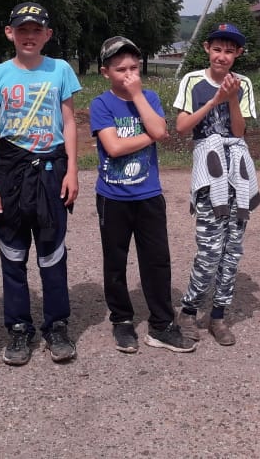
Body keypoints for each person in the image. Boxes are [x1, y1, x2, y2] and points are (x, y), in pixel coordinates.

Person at [0, 2, 80, 366]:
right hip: (10, 170)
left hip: (51, 168)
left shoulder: (61, 69)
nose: (30, 36)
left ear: (47, 35)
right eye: (23, 29)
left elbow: (69, 122)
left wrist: (72, 170)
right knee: (13, 252)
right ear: (10, 33)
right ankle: (19, 328)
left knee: (52, 252)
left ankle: (57, 325)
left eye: (37, 30)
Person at [91, 36, 195, 353]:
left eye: (134, 68)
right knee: (115, 261)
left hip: (148, 194)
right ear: (105, 72)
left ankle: (161, 324)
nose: (129, 75)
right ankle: (122, 320)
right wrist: (151, 135)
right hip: (113, 196)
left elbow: (161, 131)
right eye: (121, 69)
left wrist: (137, 97)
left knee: (157, 260)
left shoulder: (148, 97)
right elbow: (114, 147)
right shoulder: (101, 104)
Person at [172, 23, 260, 346]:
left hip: (237, 171)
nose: (222, 56)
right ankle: (189, 310)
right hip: (209, 174)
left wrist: (232, 98)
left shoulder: (243, 84)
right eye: (217, 49)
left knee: (232, 250)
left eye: (230, 51)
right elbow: (182, 127)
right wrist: (215, 100)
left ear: (238, 54)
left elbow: (239, 132)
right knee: (210, 249)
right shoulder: (192, 80)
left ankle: (219, 315)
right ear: (207, 49)